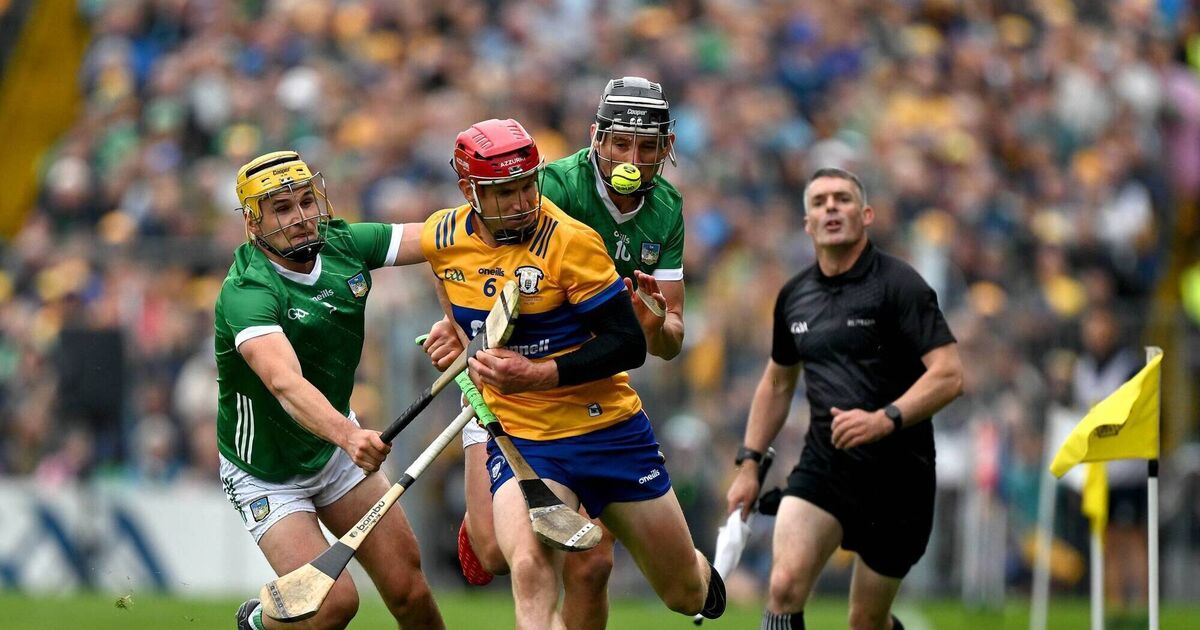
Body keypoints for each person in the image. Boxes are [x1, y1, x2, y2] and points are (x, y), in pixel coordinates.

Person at [422, 117, 724, 628]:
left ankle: (694, 572)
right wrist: (457, 326)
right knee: (519, 562)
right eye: (621, 143)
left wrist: (654, 324)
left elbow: (658, 344)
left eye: (644, 147)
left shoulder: (663, 208)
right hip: (524, 419)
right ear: (597, 141)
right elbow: (441, 255)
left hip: (605, 419)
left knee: (679, 591)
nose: (631, 160)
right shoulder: (555, 185)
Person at [725, 167, 964, 630]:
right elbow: (777, 383)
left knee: (865, 621)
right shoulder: (794, 296)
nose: (831, 207)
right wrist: (749, 465)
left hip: (900, 476)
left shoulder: (900, 285)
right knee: (783, 586)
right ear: (807, 224)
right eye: (819, 202)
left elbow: (950, 375)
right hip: (825, 467)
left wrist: (884, 419)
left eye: (842, 198)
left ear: (866, 214)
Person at [216, 150, 443, 630]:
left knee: (410, 591)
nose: (301, 217)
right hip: (267, 471)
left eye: (305, 201)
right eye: (282, 209)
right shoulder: (248, 290)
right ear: (253, 224)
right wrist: (349, 436)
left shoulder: (344, 244)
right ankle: (257, 624)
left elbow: (441, 238)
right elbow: (285, 383)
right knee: (333, 603)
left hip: (334, 451)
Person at [1072, 307, 1147, 625]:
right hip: (1099, 471)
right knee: (1107, 537)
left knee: (1133, 536)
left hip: (1127, 468)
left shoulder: (1128, 366)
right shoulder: (1083, 368)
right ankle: (1115, 604)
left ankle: (1142, 604)